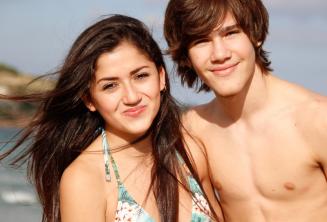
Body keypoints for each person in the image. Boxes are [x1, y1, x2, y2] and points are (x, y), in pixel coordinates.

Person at [0, 15, 223, 221]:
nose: (132, 97)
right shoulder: (85, 180)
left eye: (141, 76)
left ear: (162, 77)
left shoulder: (188, 152)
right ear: (89, 99)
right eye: (110, 86)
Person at [164, 0, 327, 221]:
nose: (219, 54)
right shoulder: (193, 130)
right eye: (201, 41)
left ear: (256, 35)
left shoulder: (317, 118)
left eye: (230, 33)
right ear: (186, 57)